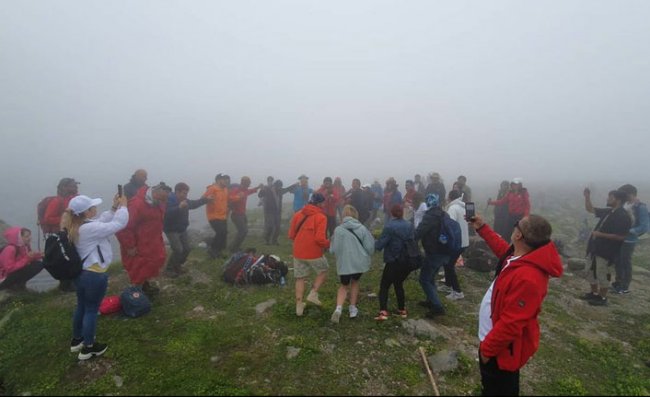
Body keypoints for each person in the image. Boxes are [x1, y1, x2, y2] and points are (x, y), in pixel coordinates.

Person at [468, 213, 562, 396]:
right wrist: (482, 227)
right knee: (490, 386)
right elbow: (502, 249)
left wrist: (487, 351)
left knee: (500, 388)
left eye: (516, 224)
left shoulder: (529, 278)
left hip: (500, 351)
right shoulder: (521, 256)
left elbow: (512, 323)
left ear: (518, 235)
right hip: (492, 341)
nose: (514, 226)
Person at [63, 193, 128, 360]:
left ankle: (77, 340)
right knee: (91, 310)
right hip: (94, 275)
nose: (96, 208)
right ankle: (89, 348)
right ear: (86, 211)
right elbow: (119, 223)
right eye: (93, 207)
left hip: (81, 274)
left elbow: (101, 221)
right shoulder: (88, 229)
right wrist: (123, 207)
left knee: (82, 306)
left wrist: (114, 208)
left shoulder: (75, 225)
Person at [117, 182, 171, 296]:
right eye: (163, 198)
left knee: (150, 266)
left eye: (165, 199)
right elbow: (123, 226)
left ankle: (145, 287)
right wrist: (130, 246)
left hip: (152, 242)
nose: (164, 202)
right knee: (138, 269)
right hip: (138, 244)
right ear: (156, 193)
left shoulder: (157, 203)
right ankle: (135, 297)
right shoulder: (137, 204)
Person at [582, 188, 632, 306]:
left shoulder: (623, 216)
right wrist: (587, 197)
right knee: (590, 270)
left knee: (602, 273)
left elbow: (621, 236)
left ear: (618, 200)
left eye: (611, 197)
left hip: (607, 251)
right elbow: (591, 209)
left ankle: (602, 298)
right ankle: (593, 293)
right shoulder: (609, 211)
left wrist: (600, 234)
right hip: (595, 248)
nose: (608, 199)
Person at [329, 205, 374, 323]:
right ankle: (353, 309)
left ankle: (338, 308)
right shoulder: (362, 228)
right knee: (355, 282)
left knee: (344, 286)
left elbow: (332, 249)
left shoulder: (338, 230)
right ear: (356, 215)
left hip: (344, 264)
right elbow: (370, 248)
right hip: (359, 263)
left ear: (343, 215)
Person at [288, 192, 330, 317]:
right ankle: (313, 293)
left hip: (298, 251)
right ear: (320, 203)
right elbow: (320, 239)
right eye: (323, 203)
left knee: (300, 278)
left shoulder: (297, 214)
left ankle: (299, 306)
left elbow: (291, 235)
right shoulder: (321, 217)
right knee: (323, 270)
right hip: (314, 253)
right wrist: (330, 244)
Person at [374, 204, 414, 320]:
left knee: (384, 286)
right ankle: (402, 310)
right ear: (402, 213)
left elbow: (380, 245)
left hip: (393, 260)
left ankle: (383, 312)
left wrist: (374, 241)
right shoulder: (409, 225)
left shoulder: (389, 226)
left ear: (391, 213)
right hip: (407, 260)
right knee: (398, 284)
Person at [163, 182, 210, 278]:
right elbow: (166, 214)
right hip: (171, 230)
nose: (185, 195)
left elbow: (194, 203)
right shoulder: (169, 200)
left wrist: (206, 200)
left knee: (187, 249)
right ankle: (169, 270)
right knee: (178, 249)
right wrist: (179, 208)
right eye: (184, 193)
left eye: (186, 193)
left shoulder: (185, 200)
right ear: (177, 192)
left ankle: (177, 266)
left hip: (182, 229)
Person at [415, 193, 451, 318]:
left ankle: (437, 306)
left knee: (424, 279)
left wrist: (410, 240)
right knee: (430, 277)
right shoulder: (443, 214)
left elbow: (419, 231)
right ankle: (430, 300)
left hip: (434, 251)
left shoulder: (430, 216)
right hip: (445, 250)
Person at [41, 177, 79, 292]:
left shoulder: (70, 199)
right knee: (64, 259)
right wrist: (66, 219)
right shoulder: (57, 201)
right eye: (73, 185)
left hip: (67, 233)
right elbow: (48, 218)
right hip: (58, 235)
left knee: (71, 257)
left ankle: (70, 283)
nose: (76, 187)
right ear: (65, 187)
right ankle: (65, 285)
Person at [613, 184, 649, 294]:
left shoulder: (641, 207)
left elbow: (644, 226)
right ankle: (618, 282)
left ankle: (625, 286)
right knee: (618, 260)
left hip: (629, 239)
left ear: (631, 194)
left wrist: (629, 230)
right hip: (620, 238)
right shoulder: (625, 205)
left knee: (625, 261)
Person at [443, 190, 469, 300]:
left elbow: (450, 224)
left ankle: (457, 292)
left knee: (449, 265)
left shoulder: (453, 208)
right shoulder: (463, 207)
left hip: (456, 242)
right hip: (464, 241)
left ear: (450, 197)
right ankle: (448, 285)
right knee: (447, 263)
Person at [0, 227, 44, 292]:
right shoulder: (10, 249)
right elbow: (9, 269)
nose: (30, 238)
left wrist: (40, 255)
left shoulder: (24, 246)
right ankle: (14, 285)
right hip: (3, 278)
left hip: (12, 274)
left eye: (29, 235)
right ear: (19, 238)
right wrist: (27, 258)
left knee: (38, 264)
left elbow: (26, 258)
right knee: (36, 265)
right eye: (26, 236)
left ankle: (18, 284)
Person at [488, 178, 531, 243]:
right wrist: (491, 202)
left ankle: (519, 250)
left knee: (519, 235)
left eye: (516, 184)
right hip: (510, 216)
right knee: (506, 234)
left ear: (520, 185)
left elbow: (527, 205)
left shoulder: (523, 193)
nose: (515, 186)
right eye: (513, 184)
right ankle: (505, 249)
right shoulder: (510, 193)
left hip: (520, 217)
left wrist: (525, 216)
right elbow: (502, 201)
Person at [228, 176, 263, 252]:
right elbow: (230, 198)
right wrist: (238, 197)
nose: (247, 186)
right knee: (243, 231)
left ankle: (234, 246)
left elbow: (251, 191)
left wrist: (258, 187)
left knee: (243, 231)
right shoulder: (236, 190)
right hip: (236, 215)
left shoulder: (245, 190)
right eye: (247, 184)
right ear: (243, 183)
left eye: (248, 185)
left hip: (242, 214)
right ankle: (233, 248)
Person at [259, 179, 297, 245]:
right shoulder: (267, 189)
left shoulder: (280, 191)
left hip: (277, 211)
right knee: (270, 226)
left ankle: (274, 241)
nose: (279, 188)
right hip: (269, 211)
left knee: (277, 227)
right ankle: (267, 240)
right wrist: (262, 189)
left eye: (280, 186)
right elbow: (260, 195)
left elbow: (287, 189)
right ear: (275, 185)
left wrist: (294, 185)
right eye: (278, 186)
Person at [202, 174, 230, 258]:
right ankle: (212, 249)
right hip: (213, 216)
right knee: (221, 232)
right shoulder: (212, 188)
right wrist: (208, 199)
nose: (226, 181)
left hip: (223, 216)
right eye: (224, 180)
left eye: (226, 180)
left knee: (224, 233)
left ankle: (218, 251)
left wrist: (238, 197)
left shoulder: (225, 189)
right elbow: (202, 198)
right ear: (218, 180)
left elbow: (228, 199)